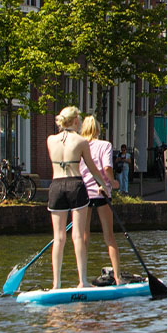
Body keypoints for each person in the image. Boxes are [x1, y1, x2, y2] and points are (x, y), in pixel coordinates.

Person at [46, 106, 109, 290]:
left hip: (56, 186)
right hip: (75, 185)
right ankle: (83, 281)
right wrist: (103, 186)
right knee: (78, 236)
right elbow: (92, 168)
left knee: (58, 238)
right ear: (74, 121)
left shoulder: (50, 140)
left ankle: (56, 284)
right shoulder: (81, 141)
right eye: (79, 120)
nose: (80, 123)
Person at [79, 116, 124, 286]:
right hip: (101, 193)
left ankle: (81, 280)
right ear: (98, 129)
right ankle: (118, 277)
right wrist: (112, 182)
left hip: (82, 193)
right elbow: (106, 168)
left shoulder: (78, 146)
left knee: (83, 237)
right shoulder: (105, 145)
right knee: (109, 236)